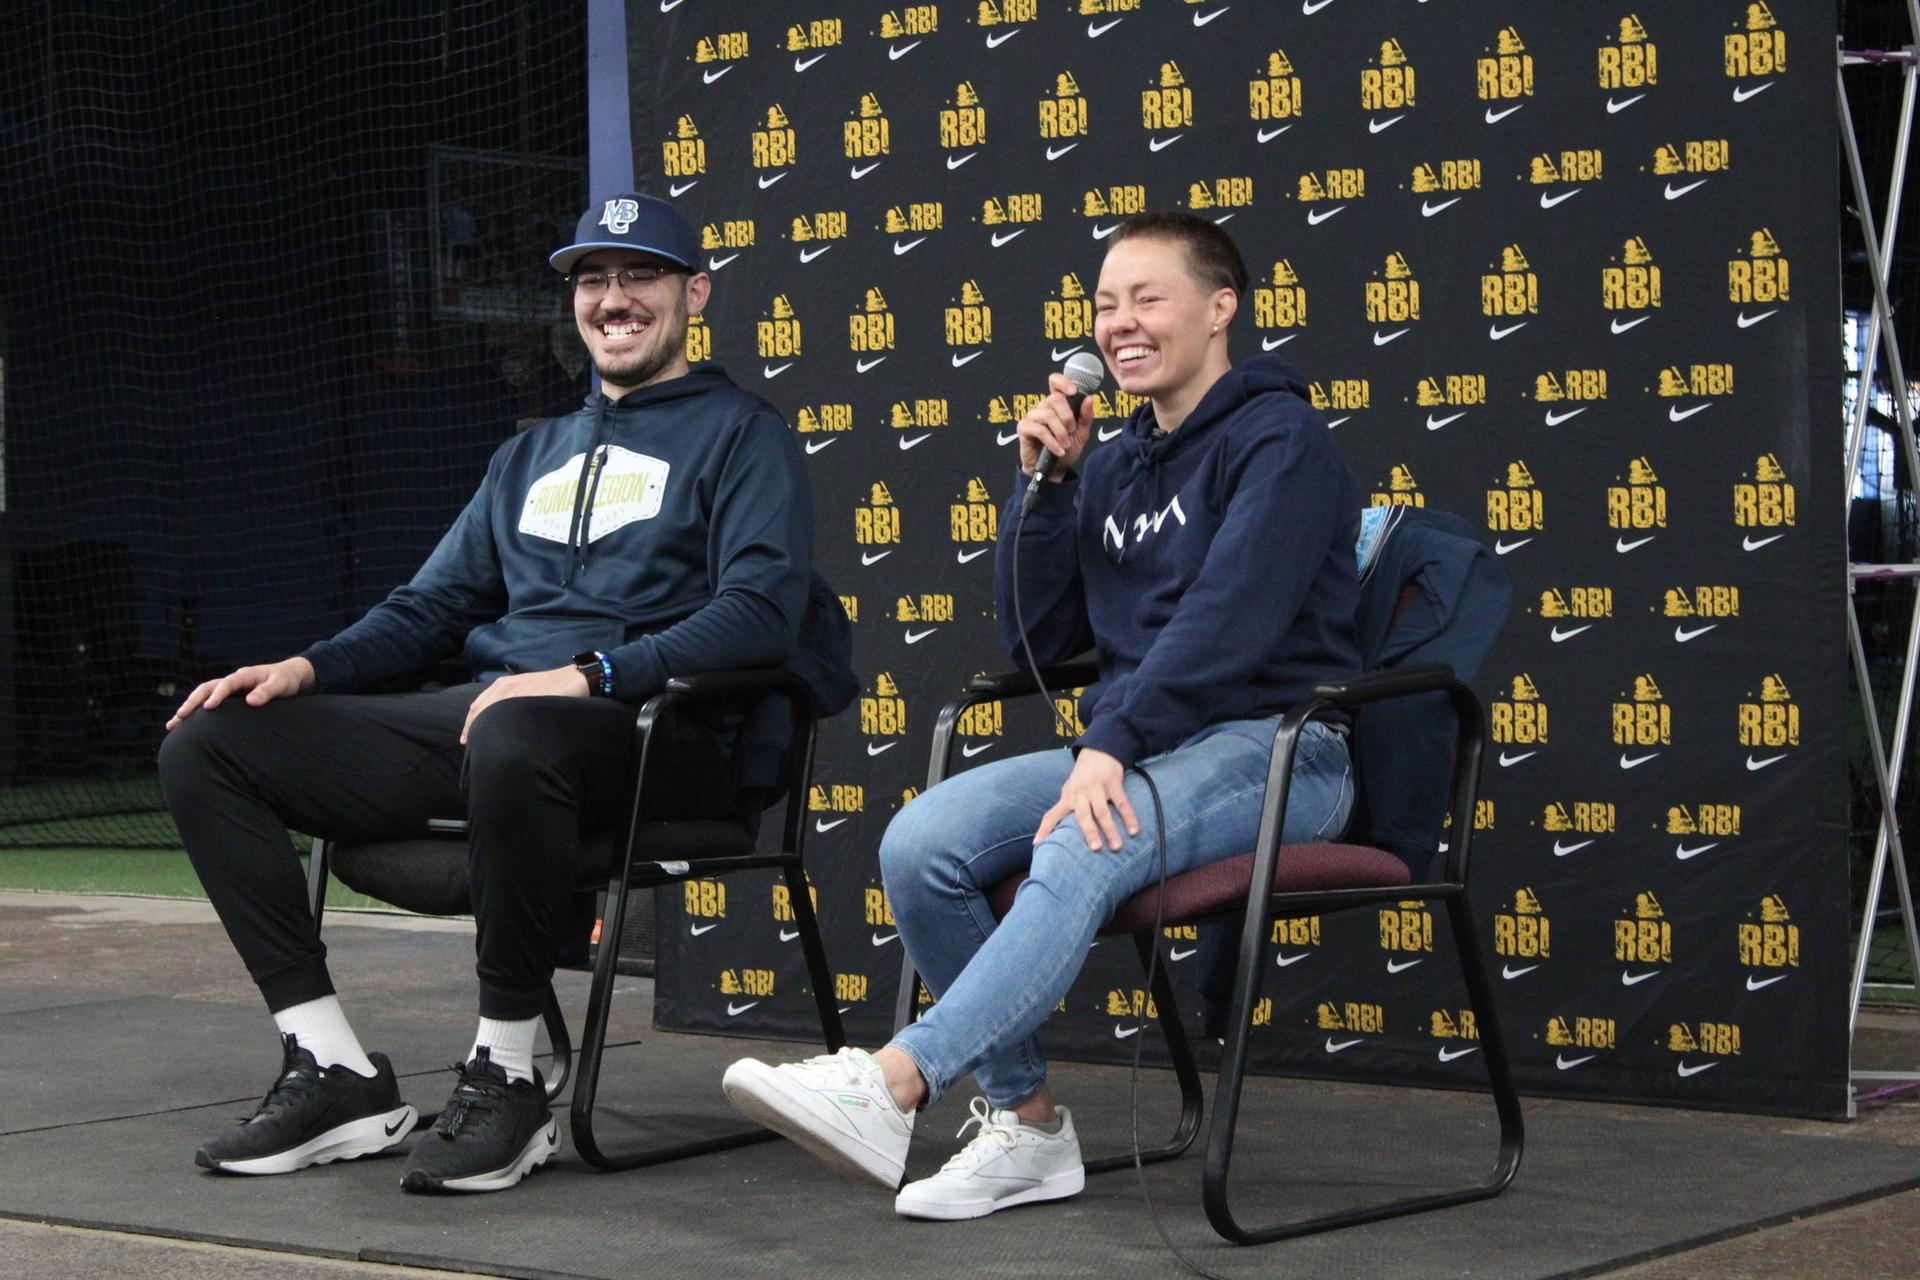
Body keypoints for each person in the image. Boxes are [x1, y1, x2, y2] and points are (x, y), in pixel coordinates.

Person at [159, 192, 825, 1194]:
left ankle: (507, 1075)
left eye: (638, 274)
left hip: (658, 733)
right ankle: (332, 1064)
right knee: (211, 740)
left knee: (515, 722)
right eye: (593, 280)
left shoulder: (743, 435)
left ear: (693, 292)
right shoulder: (529, 454)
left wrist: (591, 673)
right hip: (506, 720)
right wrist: (308, 666)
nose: (613, 299)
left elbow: (763, 612)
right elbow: (429, 606)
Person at [722, 211, 1362, 1220]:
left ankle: (893, 1082)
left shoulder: (1282, 440)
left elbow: (1227, 624)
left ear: (1221, 307)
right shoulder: (1110, 459)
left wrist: (1107, 743)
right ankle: (1026, 1125)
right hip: (1146, 744)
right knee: (920, 839)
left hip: (1282, 747)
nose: (1120, 324)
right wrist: (1045, 486)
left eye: (1147, 297)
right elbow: (1037, 637)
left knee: (1078, 838)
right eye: (1106, 304)